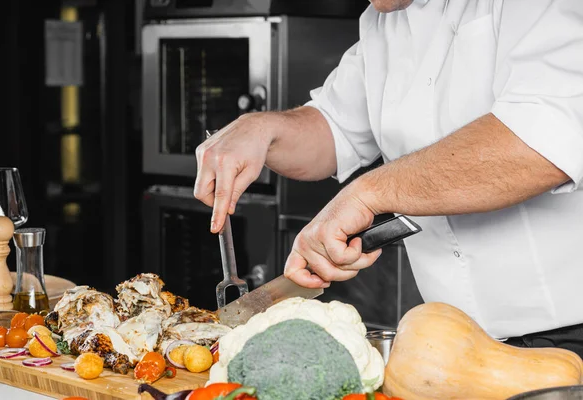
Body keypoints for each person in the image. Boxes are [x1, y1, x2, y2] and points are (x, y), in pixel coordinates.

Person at [194, 0, 583, 356]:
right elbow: (335, 128)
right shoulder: (383, 21)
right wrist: (263, 130)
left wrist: (368, 194)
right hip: (452, 344)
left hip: (569, 341)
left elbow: (545, 142)